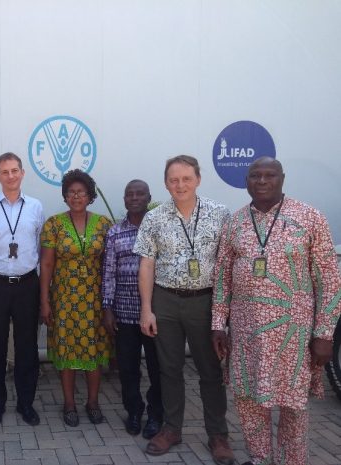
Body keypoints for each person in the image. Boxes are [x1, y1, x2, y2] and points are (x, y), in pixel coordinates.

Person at [211, 157, 341, 465]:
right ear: (246, 180)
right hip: (246, 335)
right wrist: (218, 324)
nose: (262, 180)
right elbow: (222, 276)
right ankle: (259, 458)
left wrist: (325, 334)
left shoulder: (309, 218)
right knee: (247, 401)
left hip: (293, 338)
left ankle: (290, 462)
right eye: (255, 175)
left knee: (293, 406)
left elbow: (329, 280)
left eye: (270, 175)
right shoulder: (236, 222)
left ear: (282, 178)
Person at [134, 155, 235, 465]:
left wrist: (223, 312)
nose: (180, 185)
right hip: (165, 301)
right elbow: (147, 264)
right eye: (174, 180)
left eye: (186, 179)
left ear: (198, 180)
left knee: (209, 371)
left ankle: (218, 434)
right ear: (166, 183)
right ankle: (172, 429)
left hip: (205, 302)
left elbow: (228, 265)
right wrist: (147, 309)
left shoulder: (221, 215)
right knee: (169, 369)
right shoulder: (155, 218)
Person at [0, 152, 44, 427]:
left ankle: (26, 403)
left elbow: (36, 246)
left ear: (23, 173)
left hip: (27, 285)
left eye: (15, 170)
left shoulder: (36, 207)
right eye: (5, 172)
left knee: (27, 347)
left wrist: (22, 266)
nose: (11, 176)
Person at [40, 169, 112, 427]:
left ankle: (93, 402)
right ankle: (69, 403)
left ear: (90, 195)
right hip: (64, 301)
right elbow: (46, 265)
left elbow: (108, 265)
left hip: (94, 300)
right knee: (66, 350)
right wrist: (45, 301)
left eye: (81, 192)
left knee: (93, 351)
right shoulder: (54, 225)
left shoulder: (104, 225)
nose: (76, 196)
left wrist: (108, 303)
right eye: (71, 192)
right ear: (65, 196)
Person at [101, 179, 163, 439]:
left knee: (157, 367)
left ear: (149, 197)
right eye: (130, 194)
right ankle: (134, 411)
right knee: (127, 368)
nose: (135, 197)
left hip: (155, 315)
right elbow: (108, 273)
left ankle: (156, 414)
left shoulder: (160, 229)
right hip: (124, 314)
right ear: (125, 199)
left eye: (140, 193)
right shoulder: (115, 233)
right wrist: (107, 308)